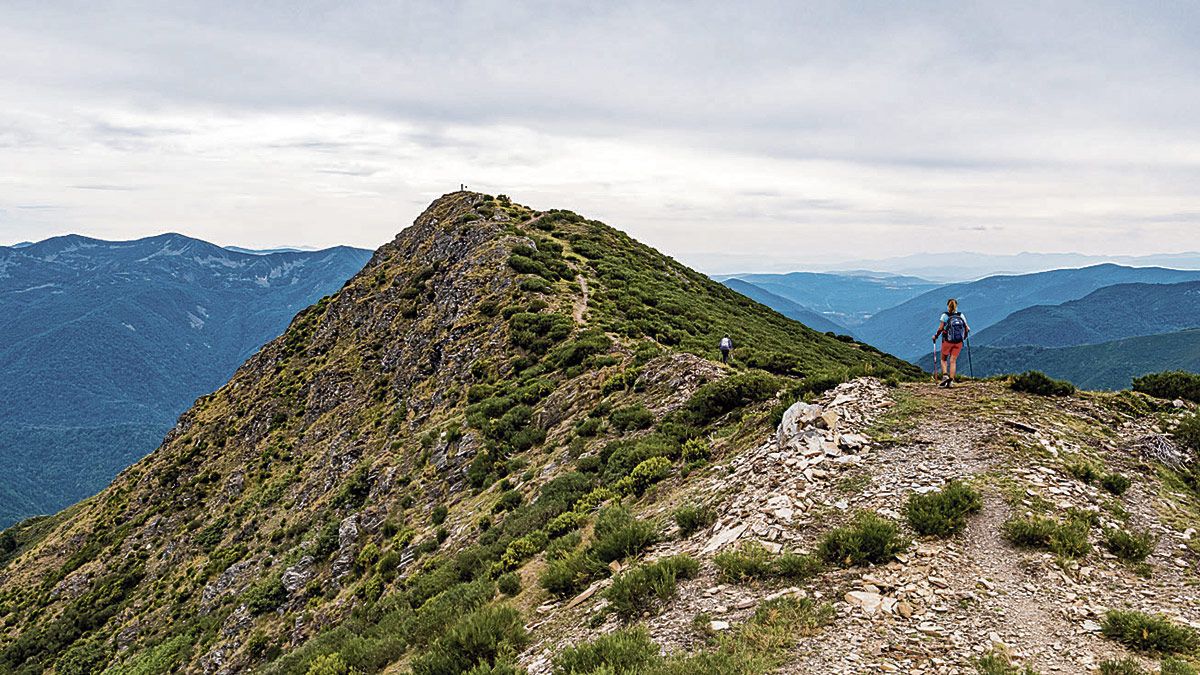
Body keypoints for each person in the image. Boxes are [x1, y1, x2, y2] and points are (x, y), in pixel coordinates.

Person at [932, 299, 969, 387]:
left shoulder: (945, 315)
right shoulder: (961, 315)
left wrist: (935, 336)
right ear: (956, 305)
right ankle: (951, 381)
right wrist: (964, 337)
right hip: (958, 342)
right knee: (953, 361)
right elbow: (967, 328)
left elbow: (940, 328)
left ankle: (945, 376)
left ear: (948, 305)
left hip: (947, 341)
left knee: (943, 359)